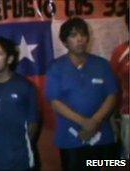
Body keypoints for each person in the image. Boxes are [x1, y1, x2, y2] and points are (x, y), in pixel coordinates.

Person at [46, 17, 119, 170]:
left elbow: (112, 95)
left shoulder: (102, 65)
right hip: (71, 138)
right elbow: (55, 102)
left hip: (102, 136)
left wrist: (94, 122)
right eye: (73, 35)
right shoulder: (56, 68)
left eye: (82, 34)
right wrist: (84, 123)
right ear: (65, 42)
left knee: (113, 165)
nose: (79, 39)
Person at [0, 36, 40, 170]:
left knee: (92, 162)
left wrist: (21, 148)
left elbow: (33, 125)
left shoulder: (25, 87)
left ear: (10, 59)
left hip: (21, 161)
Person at [110, 9, 129, 159]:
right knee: (122, 161)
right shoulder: (120, 52)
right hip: (128, 115)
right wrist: (113, 118)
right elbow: (113, 88)